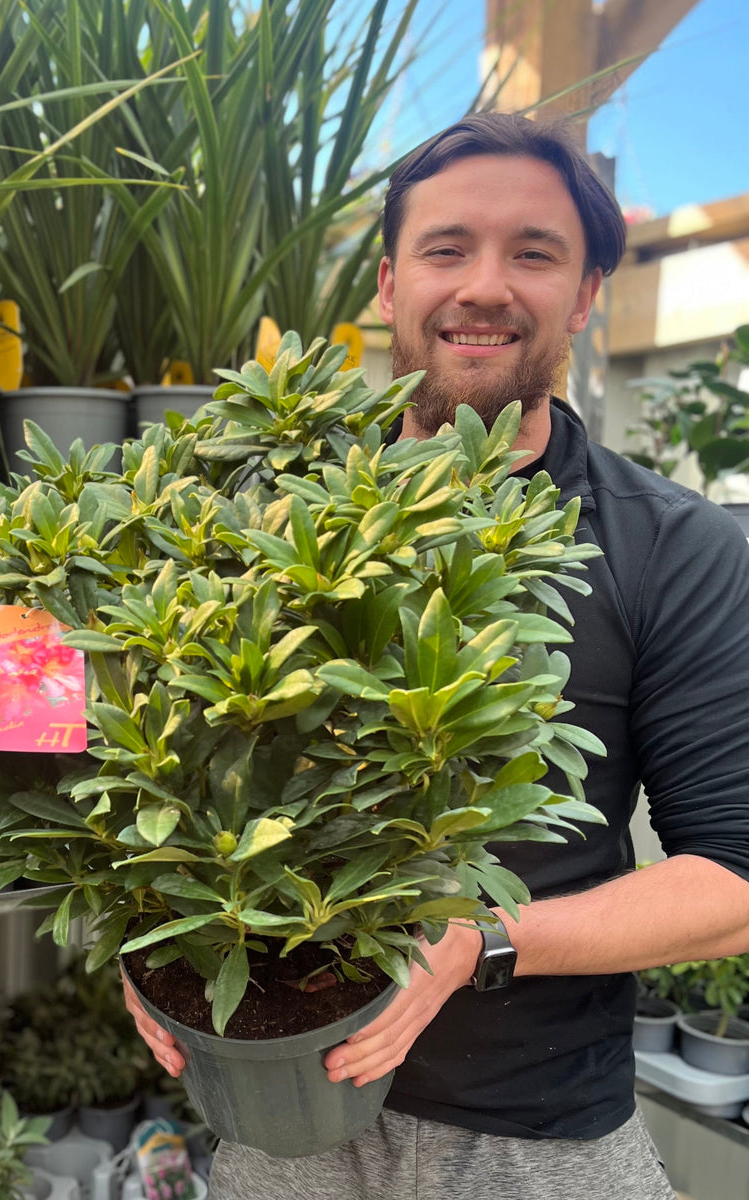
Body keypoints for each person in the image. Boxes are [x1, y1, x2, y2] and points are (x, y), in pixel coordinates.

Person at [122, 111, 749, 1199]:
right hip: (283, 1120)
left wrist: (481, 940)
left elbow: (735, 882)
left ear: (588, 293)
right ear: (388, 284)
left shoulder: (675, 548)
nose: (485, 286)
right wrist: (142, 939)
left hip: (538, 1142)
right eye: (447, 248)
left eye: (535, 253)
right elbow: (133, 764)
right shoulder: (258, 515)